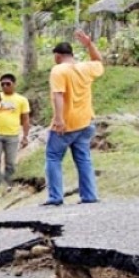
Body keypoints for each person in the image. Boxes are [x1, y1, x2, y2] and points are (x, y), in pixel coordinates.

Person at [42, 30, 104, 206]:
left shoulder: (58, 70)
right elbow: (98, 61)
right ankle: (89, 195)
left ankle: (55, 197)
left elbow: (58, 95)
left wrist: (59, 119)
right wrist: (89, 45)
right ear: (71, 54)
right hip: (86, 121)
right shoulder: (86, 67)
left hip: (67, 123)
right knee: (83, 158)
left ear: (58, 55)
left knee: (53, 157)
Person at [0, 73, 30, 188]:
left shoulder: (21, 100)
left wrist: (25, 136)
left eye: (8, 84)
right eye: (2, 84)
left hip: (12, 135)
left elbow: (25, 120)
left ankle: (8, 182)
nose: (5, 86)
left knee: (10, 163)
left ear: (14, 84)